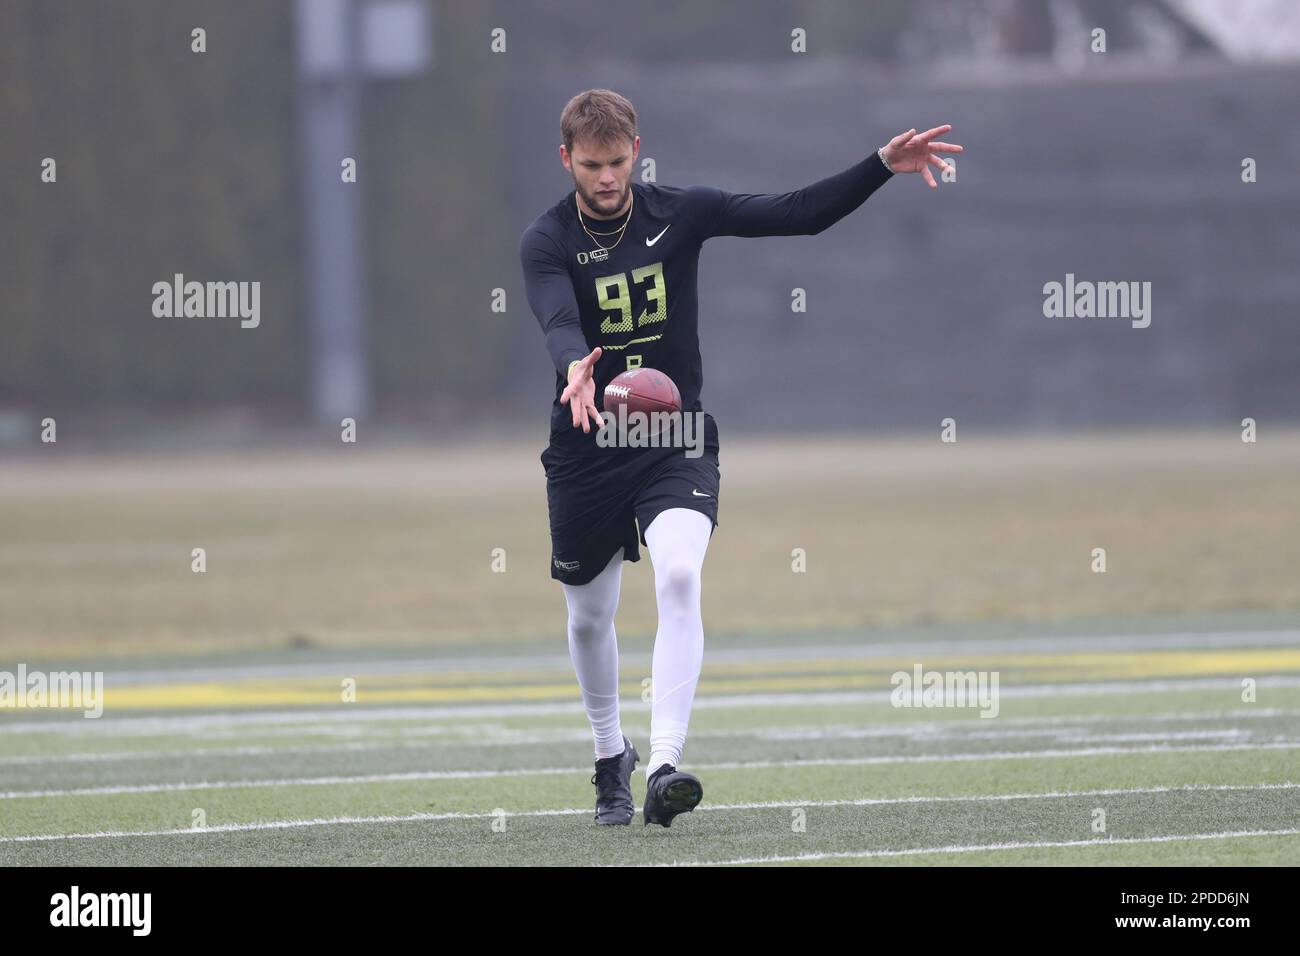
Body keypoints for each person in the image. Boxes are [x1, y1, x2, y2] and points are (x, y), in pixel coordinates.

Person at [519, 88, 962, 827]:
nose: (605, 178)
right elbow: (557, 316)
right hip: (588, 440)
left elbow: (797, 213)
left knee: (682, 575)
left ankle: (663, 764)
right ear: (566, 158)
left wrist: (880, 165)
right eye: (591, 164)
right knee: (591, 617)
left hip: (672, 438)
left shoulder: (679, 211)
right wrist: (575, 366)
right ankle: (610, 759)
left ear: (637, 150)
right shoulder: (546, 239)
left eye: (618, 162)